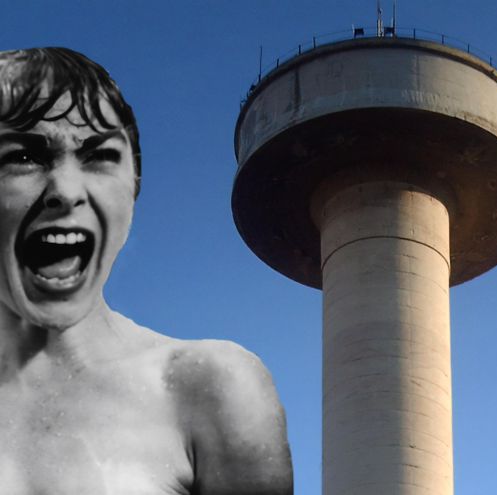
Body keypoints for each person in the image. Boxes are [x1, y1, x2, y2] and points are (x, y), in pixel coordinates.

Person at [0, 47, 293, 494]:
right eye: (24, 157)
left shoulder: (209, 387)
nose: (67, 191)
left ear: (133, 186)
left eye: (99, 155)